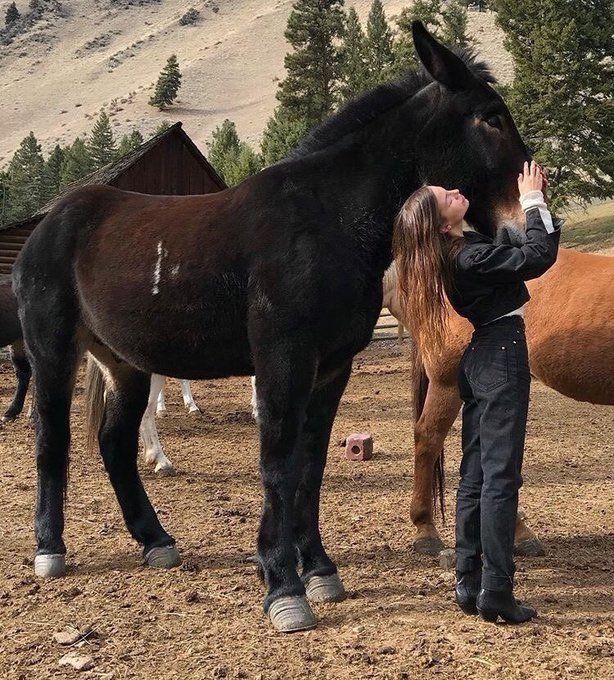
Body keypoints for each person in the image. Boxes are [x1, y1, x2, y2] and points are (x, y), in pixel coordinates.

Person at [393, 161, 560, 623]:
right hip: (501, 352)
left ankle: (469, 582)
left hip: (480, 356)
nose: (454, 189)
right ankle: (497, 591)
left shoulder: (457, 250)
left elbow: (510, 248)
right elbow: (538, 257)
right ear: (440, 222)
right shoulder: (466, 257)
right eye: (444, 194)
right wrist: (531, 201)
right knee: (500, 477)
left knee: (474, 475)